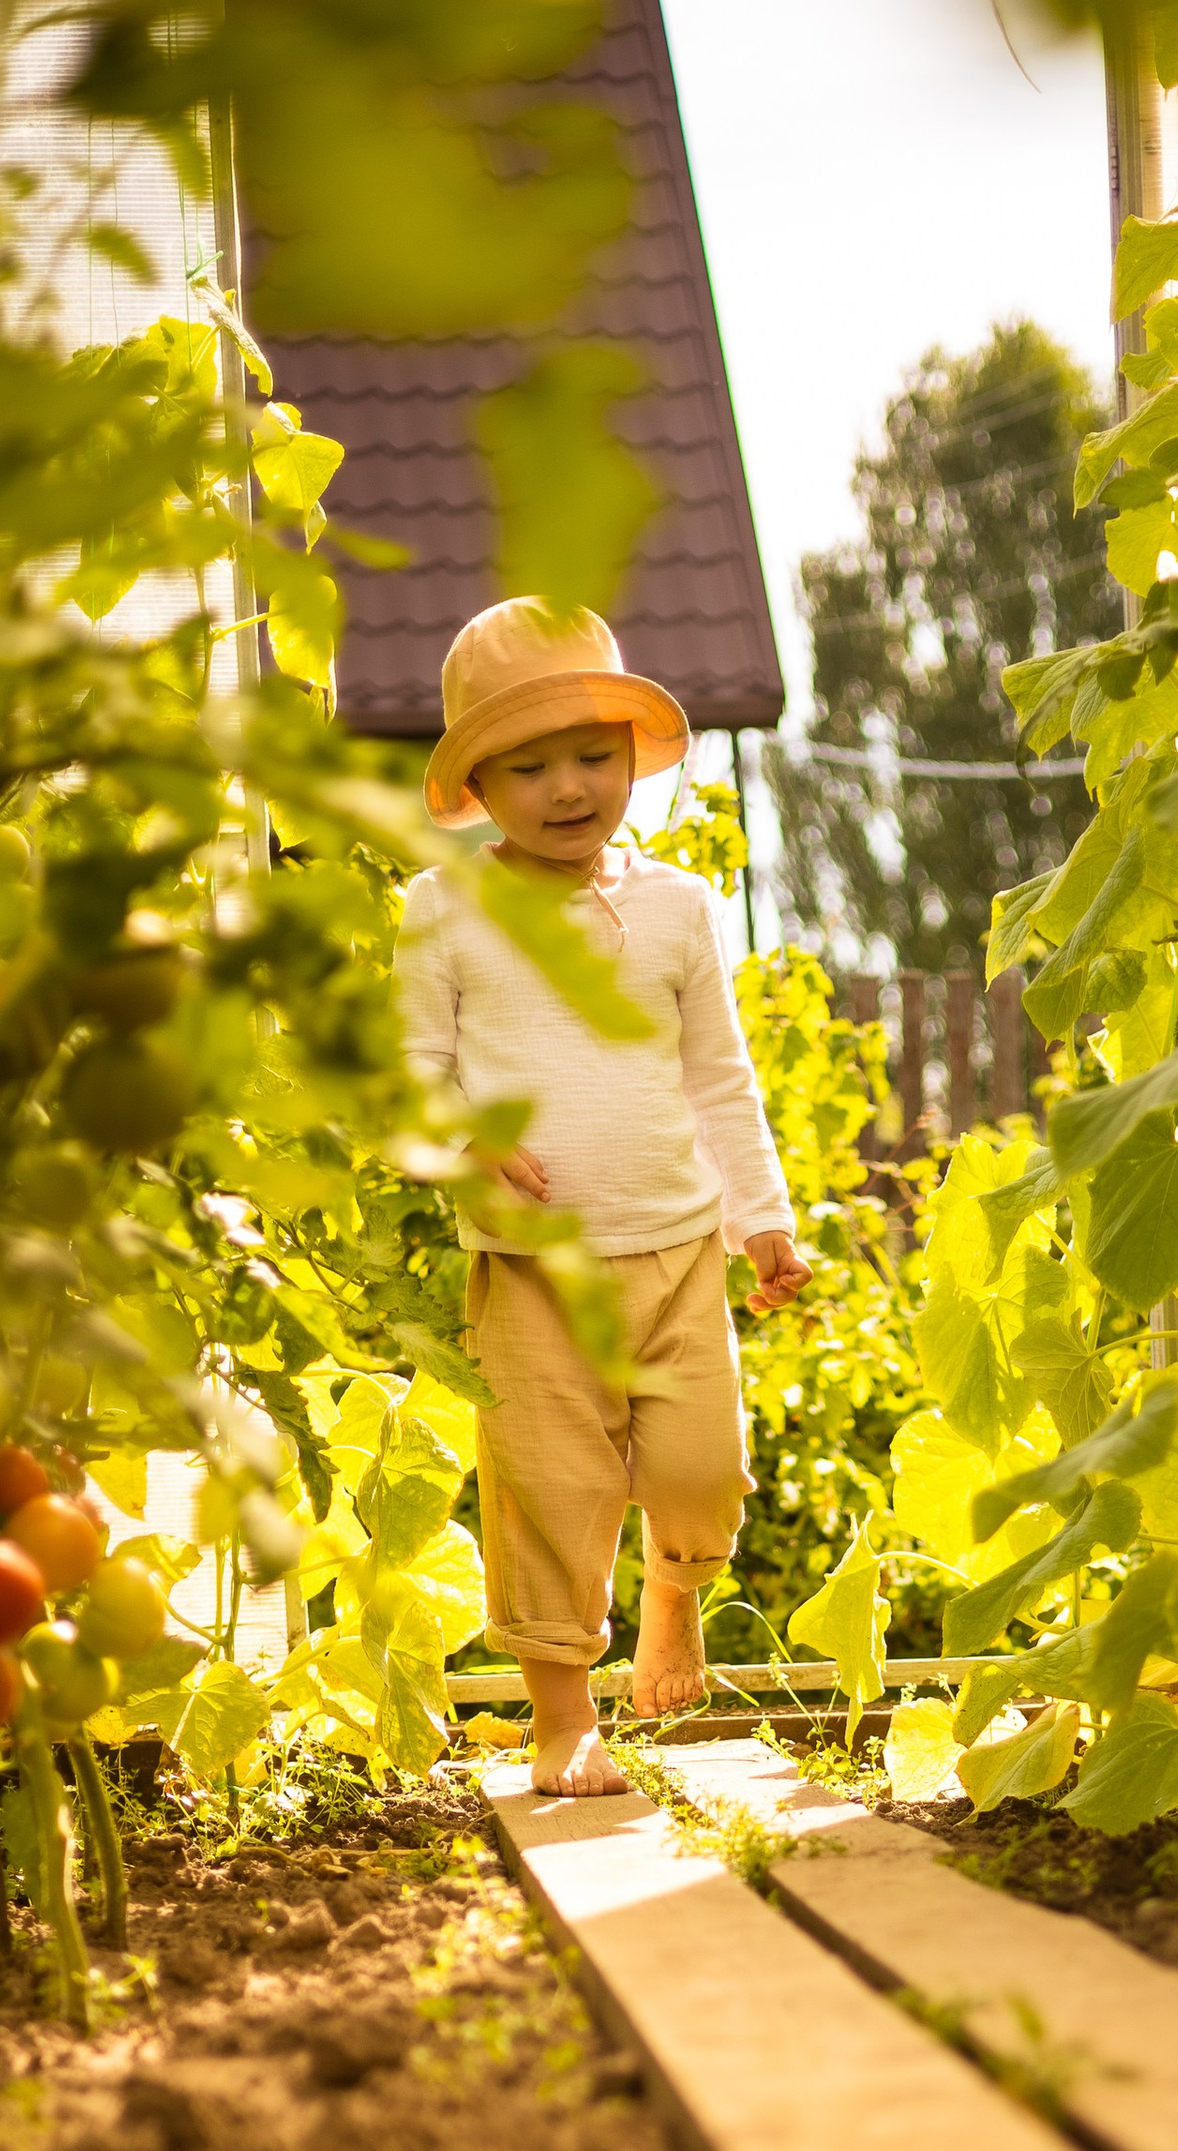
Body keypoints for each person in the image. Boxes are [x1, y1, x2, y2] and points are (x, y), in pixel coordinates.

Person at [395, 600, 809, 1796]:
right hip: (533, 1265)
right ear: (477, 782)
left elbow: (718, 1078)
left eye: (592, 756)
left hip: (677, 1249)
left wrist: (761, 1218)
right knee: (549, 1489)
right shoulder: (443, 910)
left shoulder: (677, 907)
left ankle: (673, 1598)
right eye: (529, 768)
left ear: (632, 753)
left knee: (699, 1468)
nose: (568, 788)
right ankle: (564, 1717)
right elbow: (411, 1073)